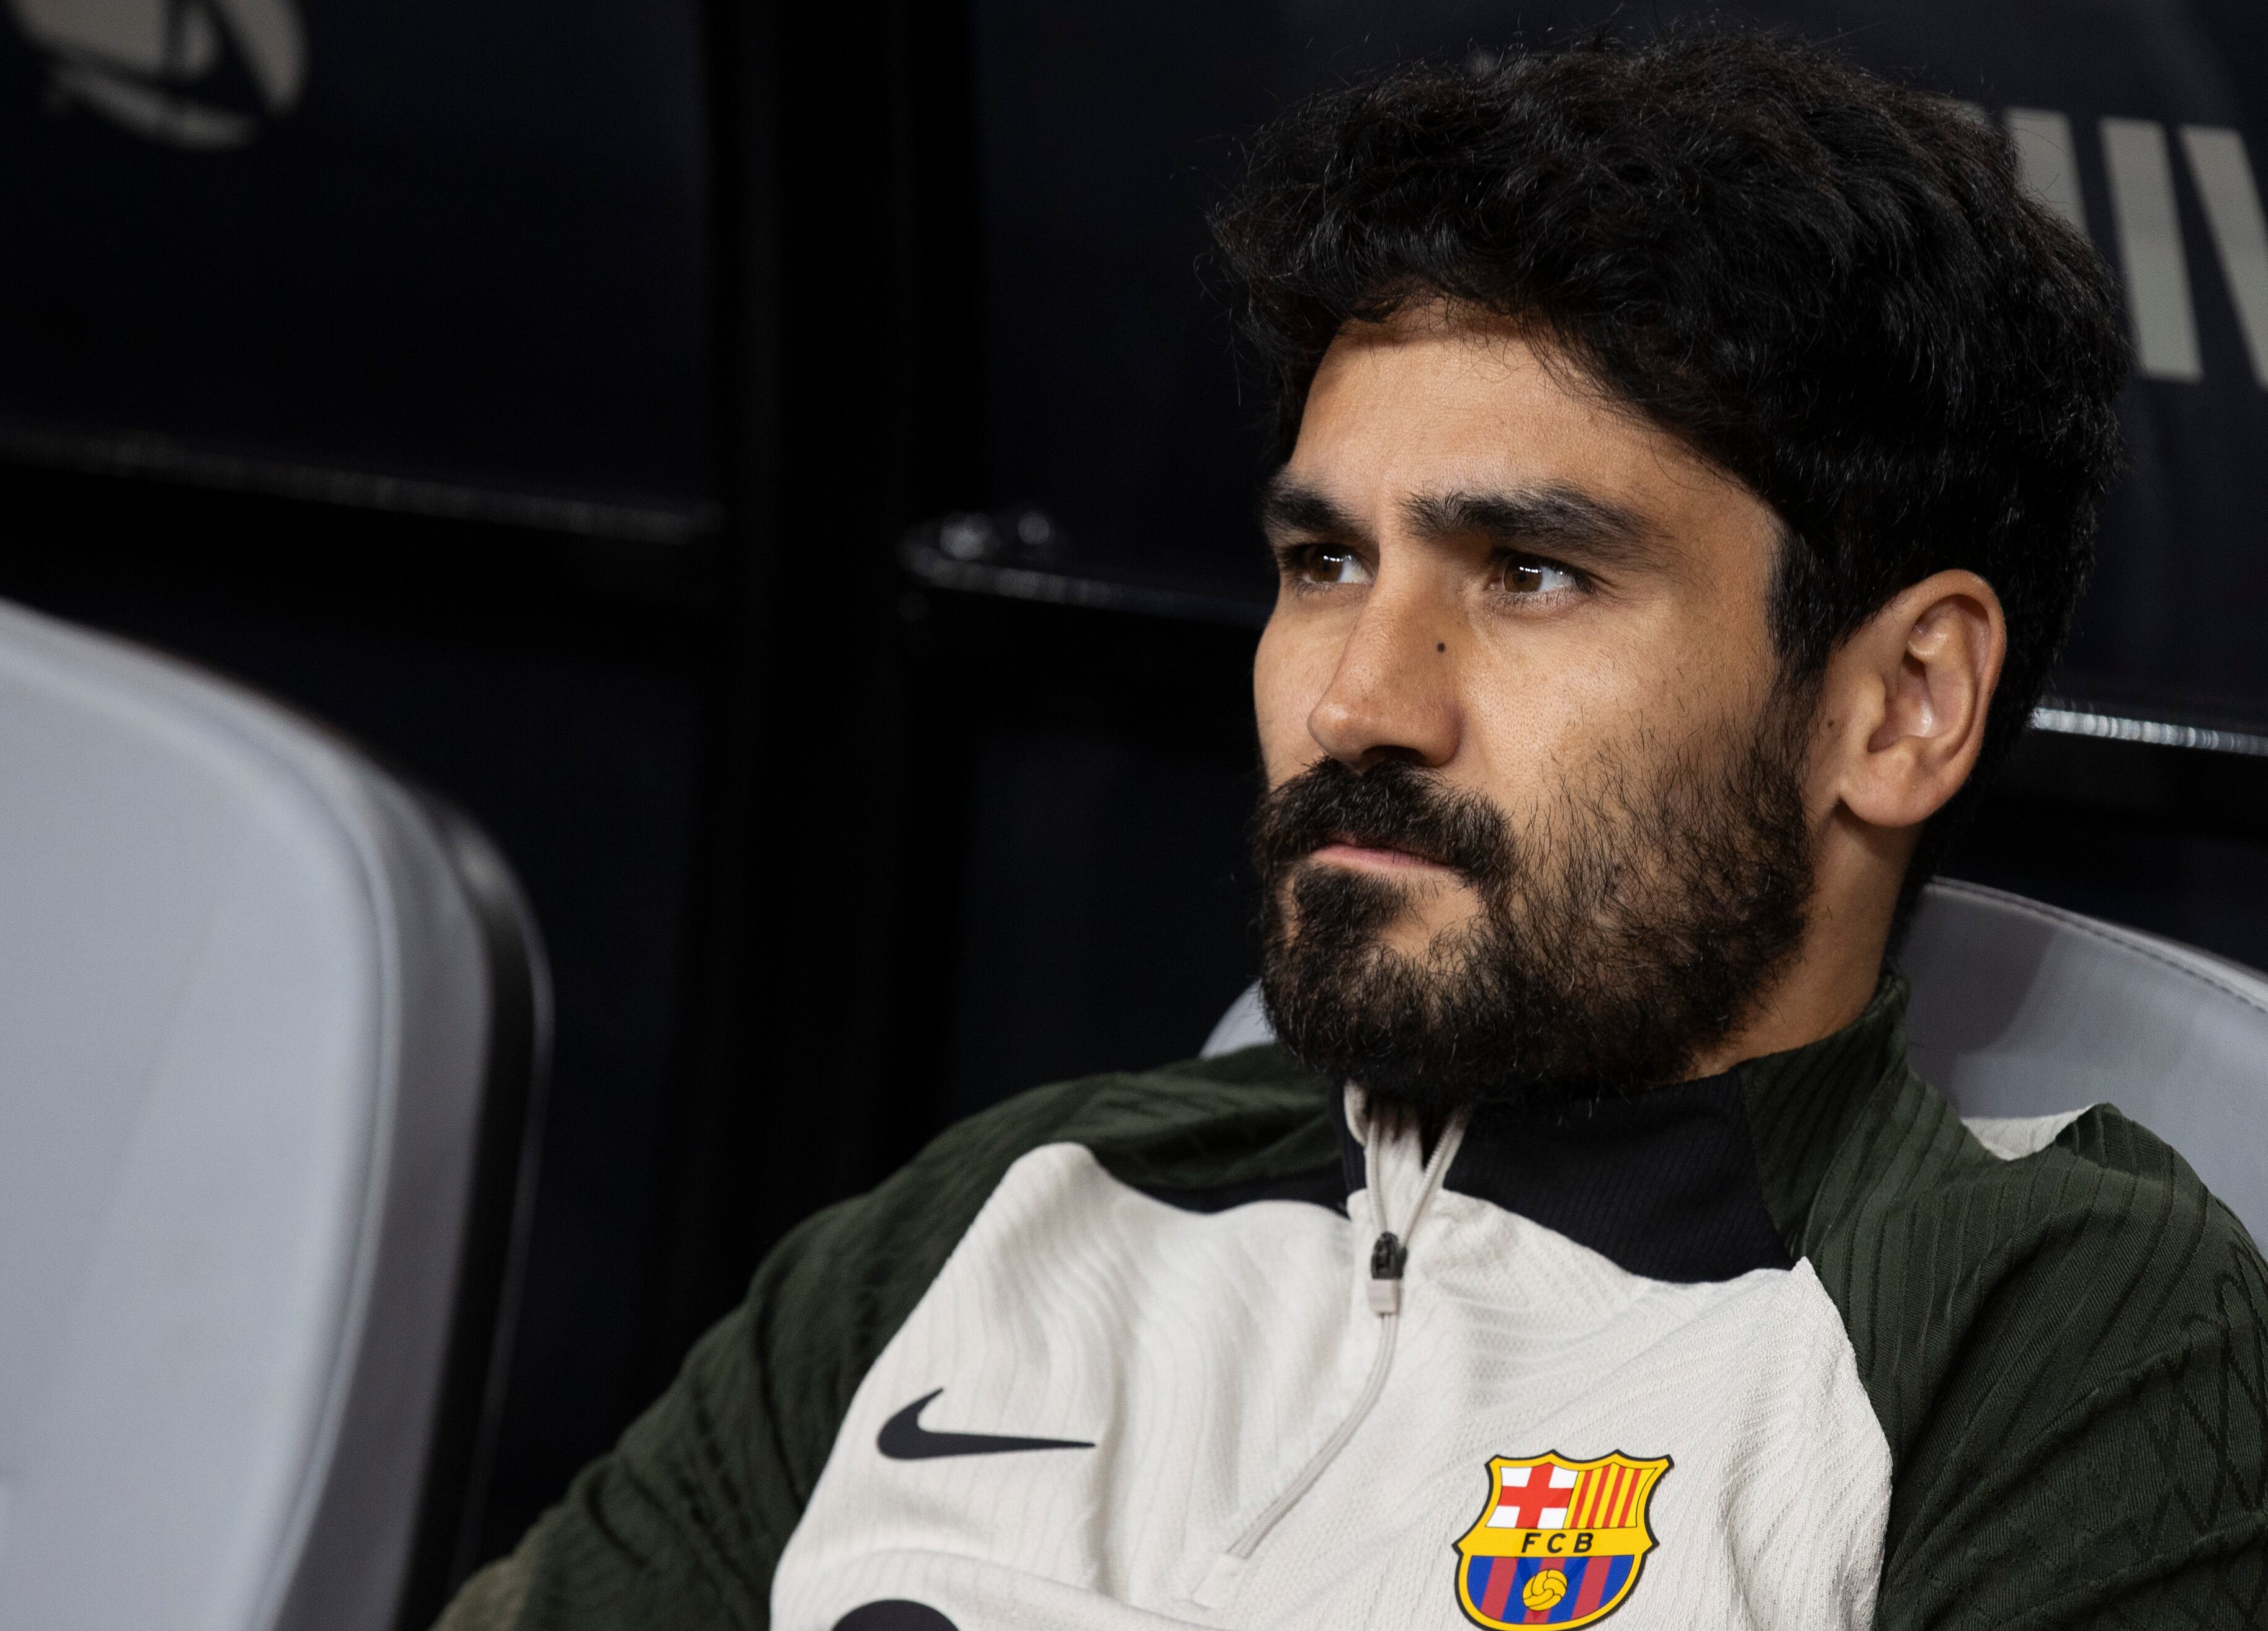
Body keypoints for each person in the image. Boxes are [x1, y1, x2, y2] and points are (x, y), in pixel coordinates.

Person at [440, 31, 2267, 1631]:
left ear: (1900, 703)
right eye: (1326, 564)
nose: (1355, 701)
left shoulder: (2052, 1335)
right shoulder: (990, 1221)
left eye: (1533, 572)